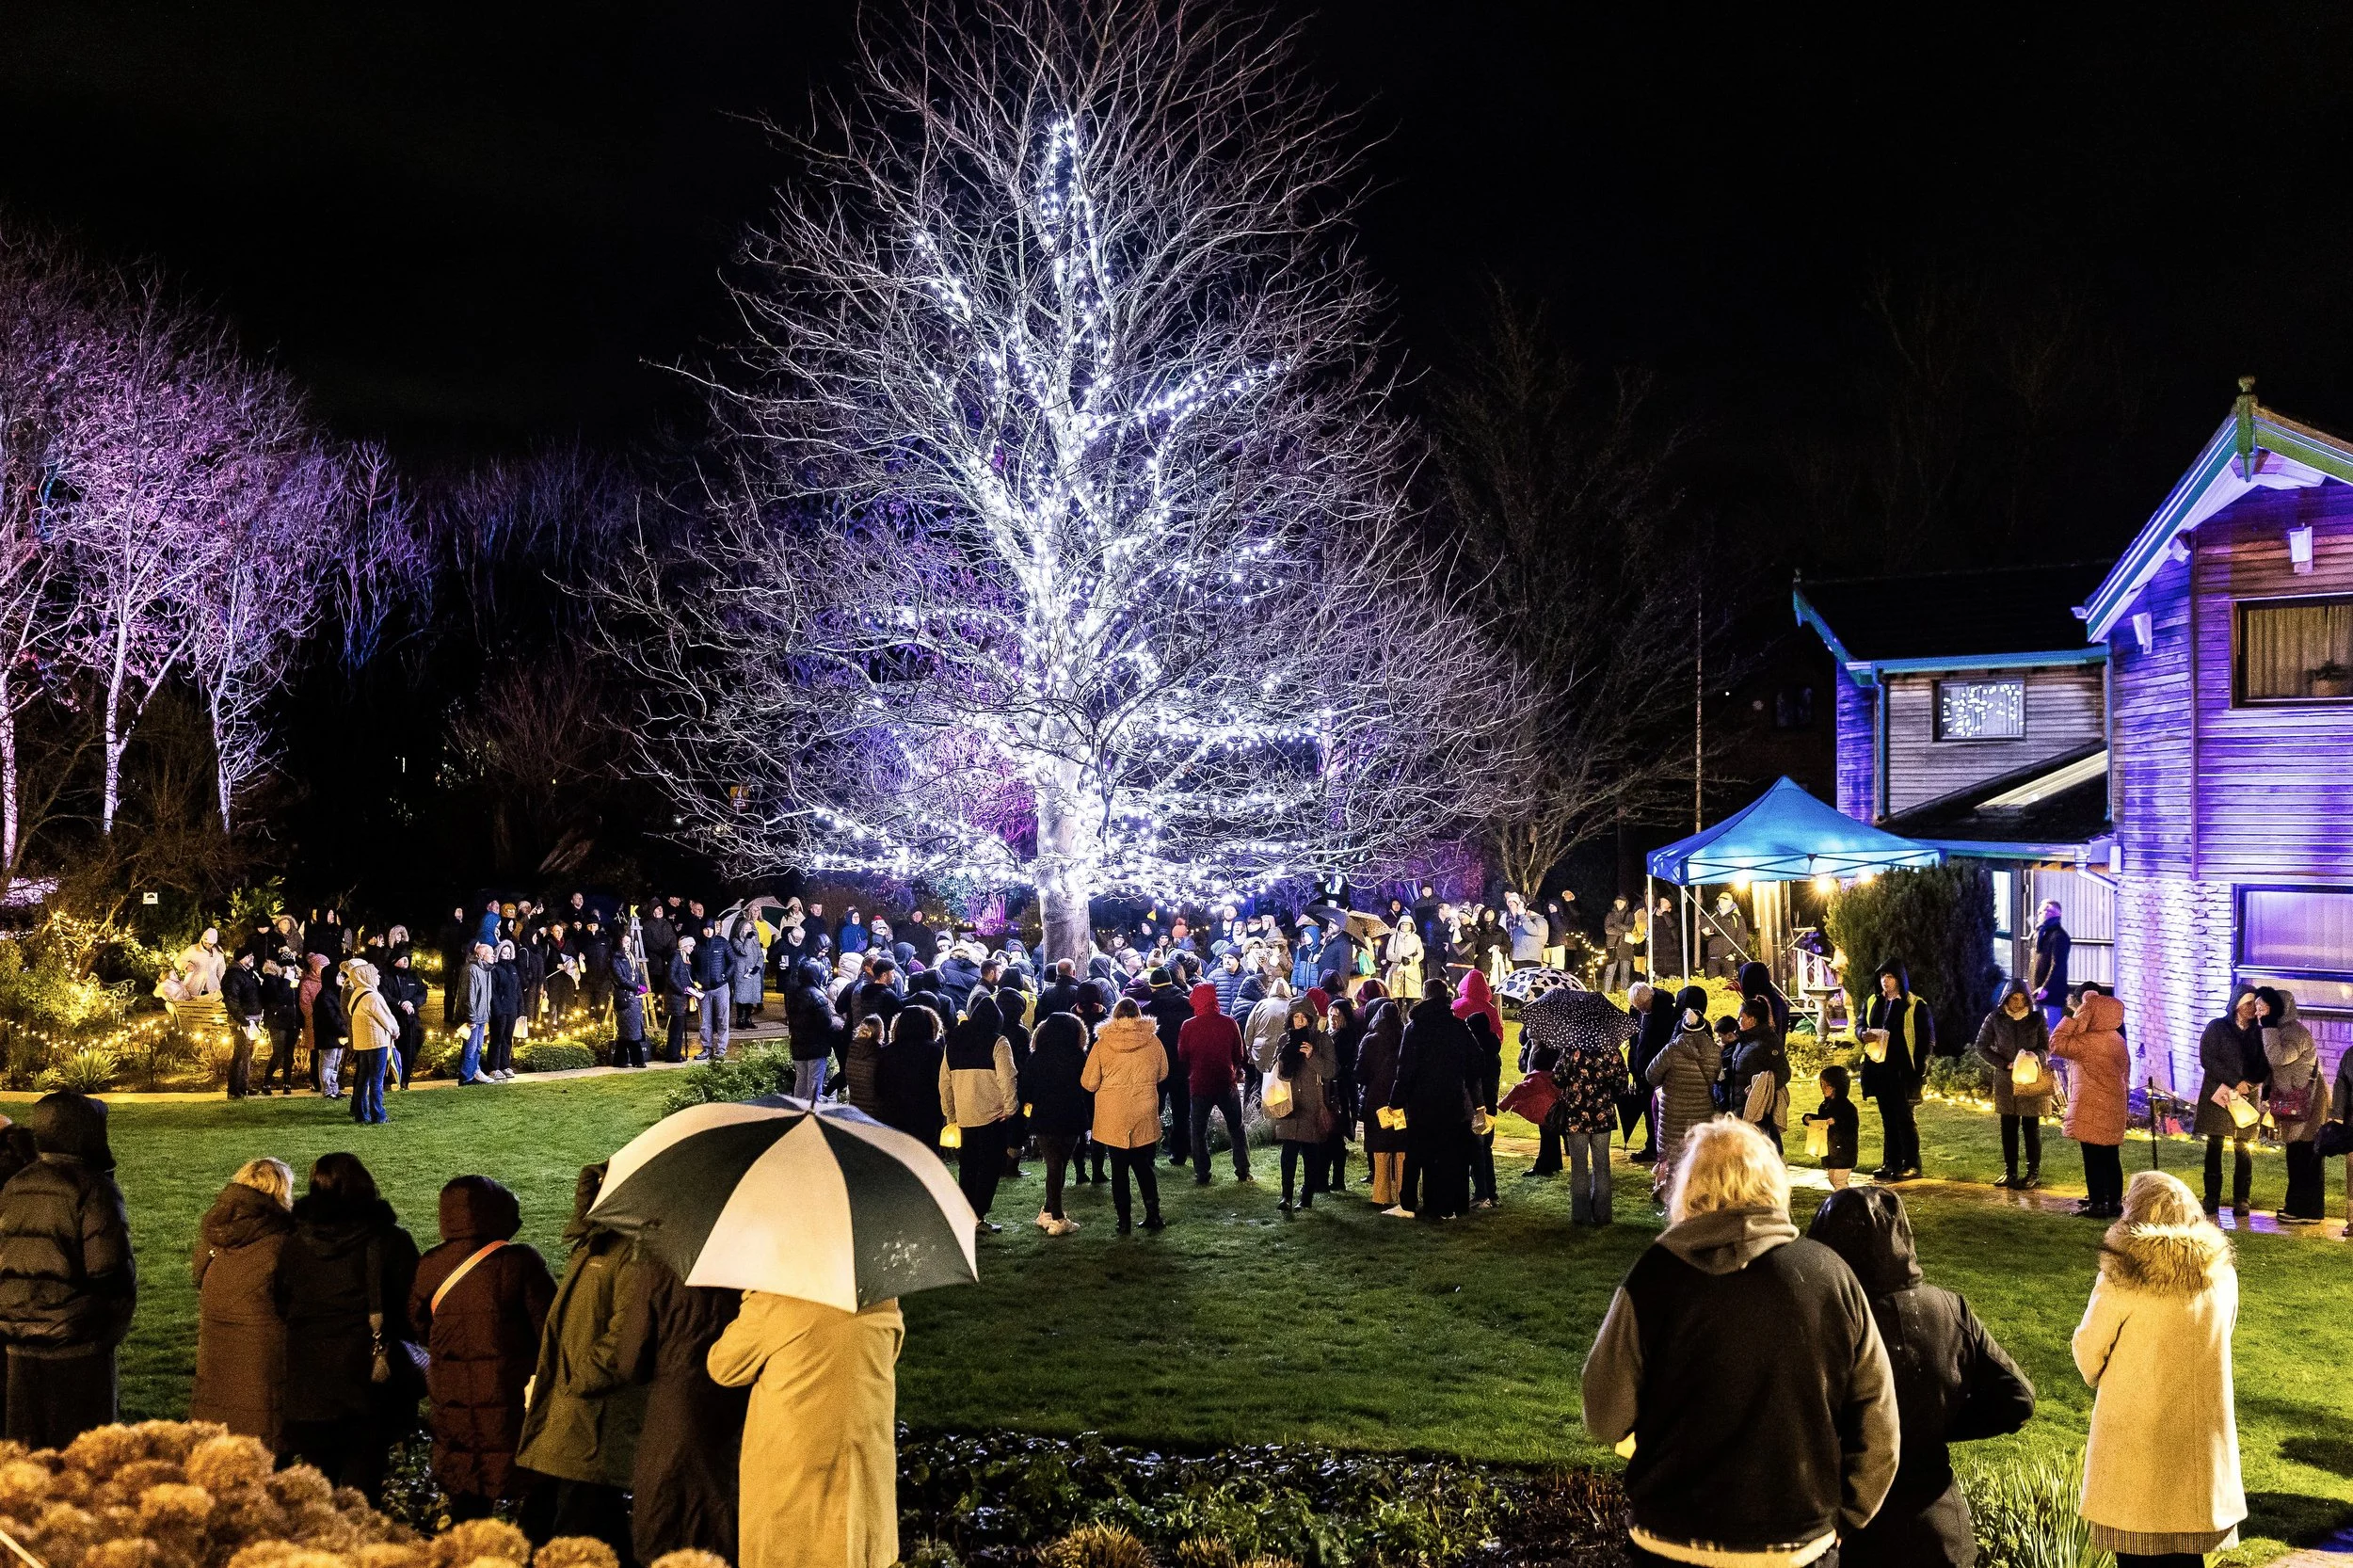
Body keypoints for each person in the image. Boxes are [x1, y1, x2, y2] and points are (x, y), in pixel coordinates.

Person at [1582, 1118, 1898, 1567]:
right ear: (1773, 1183)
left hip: (1671, 1539)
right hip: (1796, 1545)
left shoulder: (1654, 1276)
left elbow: (1604, 1413)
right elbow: (1879, 1421)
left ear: (1688, 1189)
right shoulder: (1829, 1276)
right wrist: (1846, 1518)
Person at [1806, 1188, 2036, 1567]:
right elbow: (2017, 1399)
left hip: (1854, 1530)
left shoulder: (1826, 1318)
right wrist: (1934, 1423)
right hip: (1938, 1530)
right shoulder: (1948, 1307)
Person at [2072, 1171, 2246, 1565]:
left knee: (2136, 1554)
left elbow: (2089, 1350)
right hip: (2199, 1438)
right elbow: (2225, 1331)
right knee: (2188, 1558)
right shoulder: (2220, 1274)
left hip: (2136, 1438)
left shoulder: (2123, 1276)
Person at [708, 1288, 904, 1568]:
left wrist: (751, 1299)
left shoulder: (775, 1299)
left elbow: (722, 1366)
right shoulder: (881, 1298)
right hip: (862, 1469)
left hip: (793, 1477)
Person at [409, 1175, 557, 1521]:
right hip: (509, 1392)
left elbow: (418, 1324)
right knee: (537, 1479)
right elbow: (550, 1326)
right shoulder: (520, 1262)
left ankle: (471, 1544)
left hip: (453, 1392)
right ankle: (531, 1542)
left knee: (468, 1481)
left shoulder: (430, 1264)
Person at [515, 1164, 643, 1560]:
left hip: (591, 1416)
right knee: (554, 1526)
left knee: (578, 1532)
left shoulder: (632, 1253)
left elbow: (626, 1335)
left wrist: (579, 1376)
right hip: (570, 1411)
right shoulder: (593, 1246)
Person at [0, 1092, 135, 1447]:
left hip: (19, 1341)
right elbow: (110, 1272)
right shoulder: (93, 1187)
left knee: (28, 1454)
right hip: (77, 1346)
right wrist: (107, 1327)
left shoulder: (15, 1184)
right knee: (84, 1453)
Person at [616, 1256, 746, 1566]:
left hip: (669, 1418)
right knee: (718, 1531)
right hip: (731, 1420)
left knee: (662, 1528)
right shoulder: (752, 1270)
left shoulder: (660, 1267)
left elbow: (631, 1362)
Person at [189, 1157, 295, 1448]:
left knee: (216, 1452)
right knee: (261, 1457)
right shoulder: (282, 1241)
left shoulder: (217, 1231)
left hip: (214, 1361)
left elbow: (198, 1276)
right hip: (262, 1370)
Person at [1538, 987, 1630, 1224]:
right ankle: (1603, 1214)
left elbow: (1558, 1079)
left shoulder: (1571, 1050)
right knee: (1602, 1165)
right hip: (1602, 1114)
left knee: (1578, 1165)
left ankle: (1580, 1215)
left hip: (1576, 1114)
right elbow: (1621, 1083)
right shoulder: (1611, 1050)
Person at [1386, 990, 1479, 1221]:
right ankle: (1446, 1207)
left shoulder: (1416, 1028)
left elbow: (1405, 1069)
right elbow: (1476, 1061)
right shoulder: (1458, 1027)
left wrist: (1396, 1101)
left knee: (1416, 1155)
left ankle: (1409, 1204)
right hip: (1451, 1101)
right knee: (1447, 1156)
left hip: (1421, 1103)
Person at [1081, 998, 1169, 1234]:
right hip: (1144, 1109)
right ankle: (1153, 1214)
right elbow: (1163, 1073)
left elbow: (1089, 1083)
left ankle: (1124, 1221)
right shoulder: (1153, 1041)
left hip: (1113, 1113)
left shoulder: (1102, 1045)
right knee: (1144, 1166)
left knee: (1118, 1170)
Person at [938, 993, 1018, 1231]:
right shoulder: (998, 1042)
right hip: (993, 1115)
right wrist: (1010, 1108)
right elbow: (1007, 1077)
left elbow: (944, 1082)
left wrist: (950, 1114)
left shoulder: (954, 1042)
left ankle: (966, 1215)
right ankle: (979, 1215)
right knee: (989, 1168)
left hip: (965, 1115)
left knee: (968, 1166)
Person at [2052, 987, 2132, 1219]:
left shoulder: (2087, 1042)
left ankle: (2097, 1203)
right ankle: (2114, 1202)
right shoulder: (2117, 1040)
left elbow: (2056, 1043)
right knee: (2110, 1156)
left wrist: (2075, 1018)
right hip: (2113, 1104)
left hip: (2091, 1104)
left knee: (2092, 1156)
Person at [2192, 986, 2268, 1218]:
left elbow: (2265, 1062)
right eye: (2248, 1004)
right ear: (2237, 1004)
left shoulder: (2260, 1033)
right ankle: (2211, 1197)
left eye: (2255, 1004)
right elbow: (2208, 1058)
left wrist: (2251, 1083)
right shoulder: (2217, 1027)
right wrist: (2235, 1081)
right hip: (2220, 1093)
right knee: (2214, 1144)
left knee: (2243, 1147)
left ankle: (2242, 1198)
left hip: (2247, 1096)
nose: (2252, 1009)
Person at [2257, 987, 2329, 1224]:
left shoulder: (2296, 1033)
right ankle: (2296, 1205)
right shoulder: (2280, 1031)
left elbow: (2278, 1058)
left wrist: (2268, 1026)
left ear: (2279, 1008)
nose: (2259, 1011)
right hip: (2296, 1101)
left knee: (2306, 1153)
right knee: (2296, 1153)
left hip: (2309, 1102)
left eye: (2264, 1006)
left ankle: (2308, 1210)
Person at [1974, 978, 2054, 1190]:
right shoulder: (1995, 1018)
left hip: (2031, 1079)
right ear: (2006, 999)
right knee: (2008, 1127)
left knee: (2030, 1127)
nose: (2018, 1003)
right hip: (2006, 1080)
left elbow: (2047, 1048)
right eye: (2014, 998)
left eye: (2021, 998)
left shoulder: (2036, 1019)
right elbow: (1981, 1046)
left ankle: (2032, 1172)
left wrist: (2034, 1057)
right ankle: (2010, 1171)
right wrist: (2004, 1064)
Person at [1022, 1001, 1094, 1234]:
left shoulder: (1036, 1058)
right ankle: (1058, 1218)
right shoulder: (1079, 1057)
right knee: (1059, 1163)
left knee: (1055, 1164)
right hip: (1071, 1115)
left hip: (1044, 1116)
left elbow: (1025, 1089)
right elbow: (1088, 1088)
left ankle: (1049, 1211)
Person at [1643, 986, 1721, 1197]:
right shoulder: (1714, 1052)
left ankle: (1672, 1197)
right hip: (1701, 1112)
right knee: (1697, 1155)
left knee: (1673, 1158)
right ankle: (1698, 1195)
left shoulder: (1672, 1050)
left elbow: (1651, 1075)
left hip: (1673, 1114)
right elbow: (1716, 1078)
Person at [1861, 962, 1931, 1181]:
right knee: (1888, 1118)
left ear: (1900, 979)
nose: (1885, 980)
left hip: (1903, 1070)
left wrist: (1919, 1070)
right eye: (1883, 975)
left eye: (1890, 976)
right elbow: (1860, 1023)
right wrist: (1862, 1033)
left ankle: (1911, 1164)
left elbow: (1925, 1039)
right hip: (1879, 1067)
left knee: (1905, 1118)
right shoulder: (1874, 1001)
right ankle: (1890, 1161)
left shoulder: (1914, 1005)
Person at [1178, 981, 1251, 1186]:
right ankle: (1243, 1169)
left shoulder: (1188, 1026)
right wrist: (1234, 1068)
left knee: (1198, 1130)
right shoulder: (1229, 1023)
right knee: (1236, 1127)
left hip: (1200, 1083)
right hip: (1226, 1081)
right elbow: (1239, 1053)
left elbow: (1183, 1055)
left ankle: (1202, 1172)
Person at [1270, 999, 1337, 1213]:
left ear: (1310, 1019)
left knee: (1310, 1153)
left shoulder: (1321, 1040)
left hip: (1311, 1104)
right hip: (1289, 1103)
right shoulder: (1284, 1039)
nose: (1299, 1022)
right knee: (1288, 1153)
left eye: (1303, 1018)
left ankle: (1306, 1197)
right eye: (1295, 1017)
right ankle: (1286, 1196)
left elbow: (1330, 1071)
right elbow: (1275, 1069)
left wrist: (1311, 1056)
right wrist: (1284, 1057)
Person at [1355, 999, 1409, 1208]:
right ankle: (1403, 1193)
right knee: (1401, 1148)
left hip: (1377, 1102)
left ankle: (1381, 1195)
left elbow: (1360, 1073)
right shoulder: (1406, 1038)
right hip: (1400, 1101)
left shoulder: (1370, 1040)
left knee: (1381, 1149)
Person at [1721, 998, 1789, 1151]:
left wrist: (1759, 1087)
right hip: (1739, 1108)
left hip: (1758, 1112)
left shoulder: (1767, 1042)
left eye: (1741, 1017)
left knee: (1760, 1151)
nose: (1738, 1020)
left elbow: (1783, 1072)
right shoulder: (1743, 1040)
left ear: (1752, 1020)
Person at [877, 1004, 948, 1151]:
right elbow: (939, 1083)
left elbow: (879, 1085)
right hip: (926, 1113)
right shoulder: (934, 1051)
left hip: (895, 1113)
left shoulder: (886, 1052)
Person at [344, 959, 396, 1126]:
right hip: (376, 1042)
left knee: (363, 1078)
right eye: (375, 974)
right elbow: (387, 1018)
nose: (378, 977)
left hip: (362, 1042)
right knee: (376, 1080)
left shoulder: (356, 995)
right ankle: (378, 1115)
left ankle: (361, 1113)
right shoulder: (373, 997)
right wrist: (395, 1031)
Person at [1804, 1065, 1861, 1189]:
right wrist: (1809, 1118)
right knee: (1832, 1178)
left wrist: (1836, 1122)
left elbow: (1850, 1125)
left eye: (1827, 1085)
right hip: (1830, 1151)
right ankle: (1843, 1196)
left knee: (1839, 1181)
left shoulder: (1847, 1107)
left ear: (1836, 1086)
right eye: (1822, 1084)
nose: (1823, 1088)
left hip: (1844, 1152)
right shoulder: (1825, 1106)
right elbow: (1821, 1120)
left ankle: (1843, 1198)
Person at [693, 922, 741, 1063]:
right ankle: (707, 1048)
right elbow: (693, 964)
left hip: (721, 987)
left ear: (714, 929)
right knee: (705, 1021)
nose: (708, 931)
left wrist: (725, 976)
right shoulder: (698, 945)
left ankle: (721, 1049)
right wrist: (696, 979)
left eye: (710, 929)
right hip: (704, 989)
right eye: (705, 929)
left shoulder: (722, 942)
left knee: (722, 1019)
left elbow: (732, 962)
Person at [220, 951, 264, 1098]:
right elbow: (231, 999)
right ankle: (233, 1089)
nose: (252, 958)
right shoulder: (233, 976)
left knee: (247, 1054)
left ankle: (243, 1086)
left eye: (252, 955)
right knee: (240, 1053)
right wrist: (241, 1019)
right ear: (240, 958)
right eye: (248, 956)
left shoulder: (249, 973)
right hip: (243, 1020)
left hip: (253, 1019)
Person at [310, 952, 348, 1098]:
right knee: (328, 1063)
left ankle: (334, 1088)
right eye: (339, 976)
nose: (342, 979)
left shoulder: (335, 994)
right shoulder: (325, 996)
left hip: (336, 1036)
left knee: (335, 1063)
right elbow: (332, 1018)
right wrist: (345, 1031)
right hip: (328, 1036)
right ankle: (327, 1090)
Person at [2030, 899, 2072, 1029]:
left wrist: (2046, 987)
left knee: (2051, 1030)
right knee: (2037, 1030)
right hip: (2037, 991)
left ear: (2051, 913)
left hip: (2051, 993)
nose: (2038, 914)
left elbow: (2057, 964)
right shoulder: (2041, 934)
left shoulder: (2058, 936)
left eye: (2041, 911)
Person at [460, 942, 495, 1085]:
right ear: (480, 955)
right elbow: (470, 995)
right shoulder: (472, 970)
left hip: (481, 1016)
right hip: (474, 1017)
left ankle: (474, 1071)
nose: (493, 956)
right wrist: (471, 1017)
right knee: (471, 1047)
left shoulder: (486, 970)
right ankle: (467, 1077)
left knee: (477, 1047)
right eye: (490, 953)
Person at [610, 942, 648, 1069]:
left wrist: (643, 986)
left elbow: (638, 973)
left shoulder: (631, 957)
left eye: (629, 942)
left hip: (634, 998)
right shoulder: (615, 959)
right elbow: (620, 979)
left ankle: (620, 1060)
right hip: (624, 998)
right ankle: (638, 1060)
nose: (627, 945)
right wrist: (637, 986)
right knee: (630, 1030)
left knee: (628, 1030)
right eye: (625, 942)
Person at [731, 917, 767, 1029]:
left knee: (751, 997)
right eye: (746, 929)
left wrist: (757, 967)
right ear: (741, 930)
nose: (748, 931)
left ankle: (748, 1019)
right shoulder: (735, 941)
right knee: (742, 998)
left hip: (753, 973)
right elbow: (744, 951)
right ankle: (740, 1020)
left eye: (750, 929)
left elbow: (760, 956)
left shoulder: (755, 941)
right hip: (742, 973)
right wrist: (748, 939)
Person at [1503, 891, 1547, 969]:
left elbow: (1533, 931)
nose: (1527, 912)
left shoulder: (1540, 921)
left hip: (1529, 957)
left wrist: (1522, 915)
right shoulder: (1528, 920)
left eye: (1529, 911)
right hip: (1520, 957)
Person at [1602, 897, 1638, 993]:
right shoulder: (1610, 915)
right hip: (1613, 946)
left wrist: (1617, 925)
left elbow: (1630, 927)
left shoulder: (1630, 915)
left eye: (1622, 902)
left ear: (1626, 903)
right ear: (1615, 903)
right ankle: (1605, 992)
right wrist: (1622, 932)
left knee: (1625, 973)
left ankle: (1624, 993)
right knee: (1609, 972)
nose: (1620, 903)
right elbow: (1608, 929)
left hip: (1626, 947)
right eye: (1618, 902)